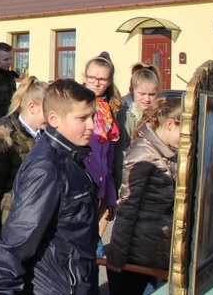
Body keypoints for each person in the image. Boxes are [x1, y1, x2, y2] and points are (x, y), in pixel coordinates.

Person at [0, 79, 98, 294]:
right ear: (54, 119)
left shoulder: (72, 158)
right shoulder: (47, 168)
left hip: (75, 281)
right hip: (54, 286)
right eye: (82, 118)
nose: (92, 125)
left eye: (93, 116)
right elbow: (15, 244)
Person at [107, 98, 181, 294]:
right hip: (138, 253)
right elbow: (127, 206)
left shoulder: (170, 153)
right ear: (171, 124)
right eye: (185, 133)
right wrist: (117, 254)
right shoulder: (143, 154)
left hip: (156, 249)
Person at [0, 76, 48, 260]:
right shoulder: (4, 140)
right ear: (32, 107)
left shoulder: (45, 136)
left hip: (34, 227)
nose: (54, 117)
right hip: (10, 230)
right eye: (49, 111)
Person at [82, 52, 121, 276]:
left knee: (93, 248)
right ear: (85, 77)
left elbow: (108, 158)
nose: (97, 83)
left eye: (102, 79)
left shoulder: (107, 110)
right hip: (80, 187)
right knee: (88, 249)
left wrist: (110, 195)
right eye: (92, 77)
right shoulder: (76, 105)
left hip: (99, 187)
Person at [114, 66, 160, 195]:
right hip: (131, 182)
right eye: (142, 94)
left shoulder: (156, 114)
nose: (147, 99)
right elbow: (121, 157)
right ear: (131, 91)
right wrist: (122, 190)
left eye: (151, 94)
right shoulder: (127, 116)